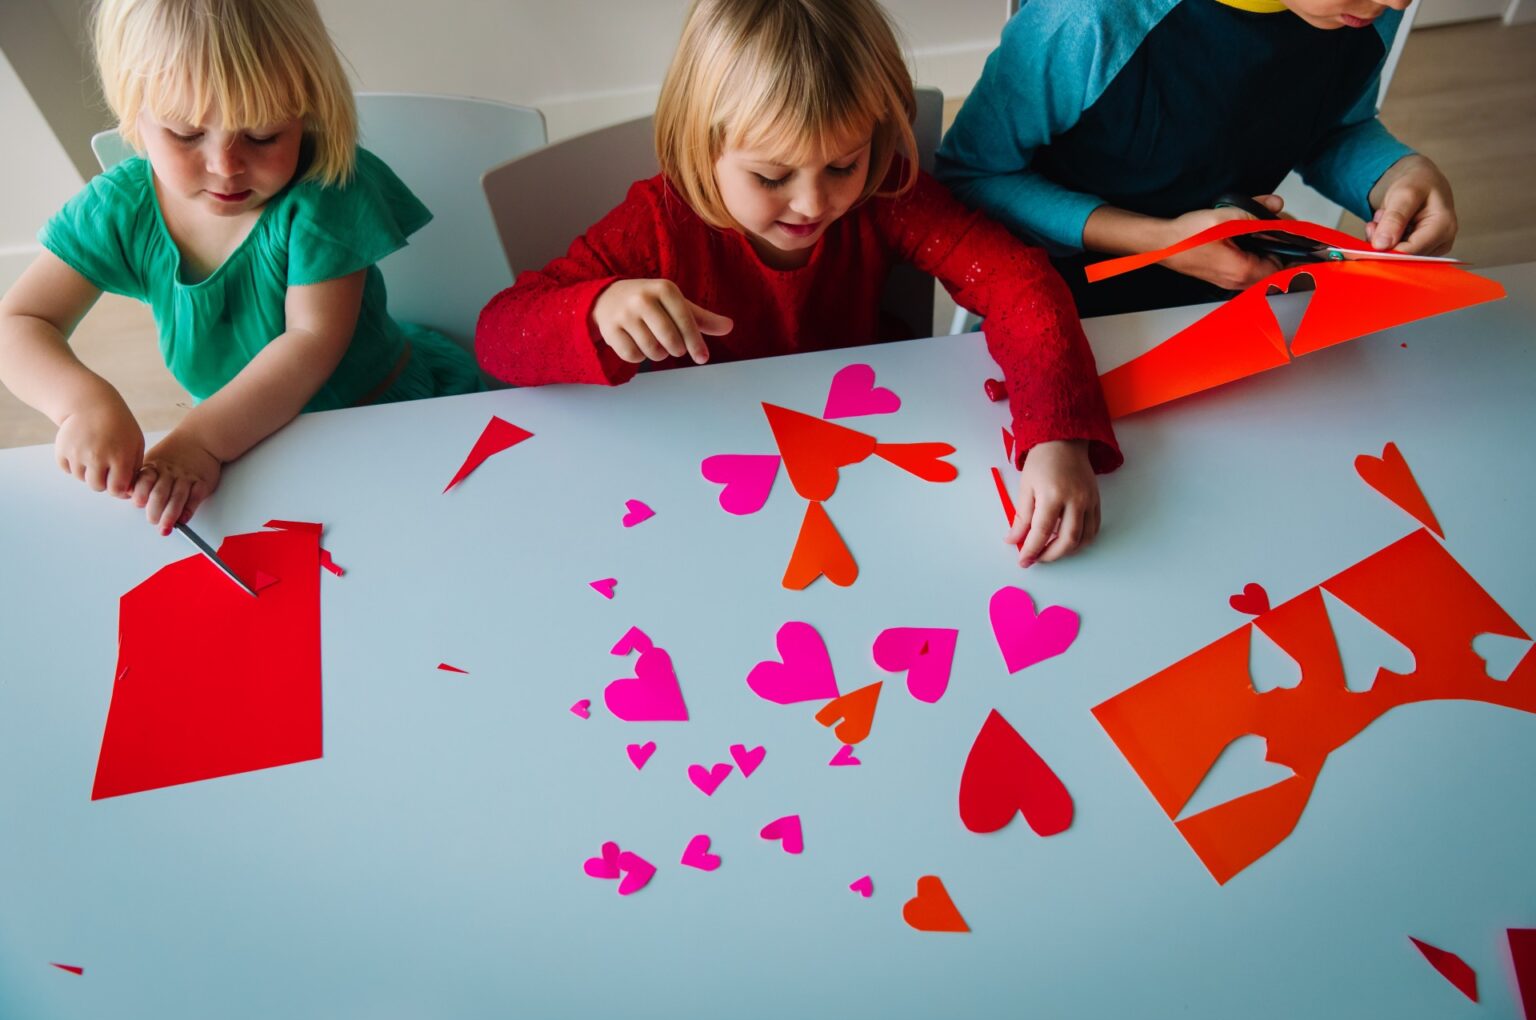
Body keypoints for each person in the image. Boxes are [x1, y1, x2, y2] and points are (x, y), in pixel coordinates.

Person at [476, 0, 1121, 568]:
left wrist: (1055, 436)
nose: (813, 203)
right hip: (705, 480)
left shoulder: (884, 194)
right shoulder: (658, 225)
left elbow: (1017, 282)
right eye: (771, 177)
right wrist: (596, 311)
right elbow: (499, 334)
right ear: (702, 149)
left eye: (842, 164)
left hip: (861, 470)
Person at [0, 0, 481, 534]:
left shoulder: (325, 194)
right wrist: (80, 404)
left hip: (376, 418)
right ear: (133, 111)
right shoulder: (119, 206)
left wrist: (200, 440)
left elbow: (309, 343)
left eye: (262, 136)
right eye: (185, 134)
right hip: (242, 440)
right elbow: (19, 321)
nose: (225, 166)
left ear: (308, 109)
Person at [935, 0, 1458, 318]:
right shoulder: (1087, 19)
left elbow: (1333, 125)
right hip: (1058, 310)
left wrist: (1394, 172)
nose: (1396, 3)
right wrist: (1156, 242)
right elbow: (973, 173)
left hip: (1234, 310)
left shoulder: (1366, 13)